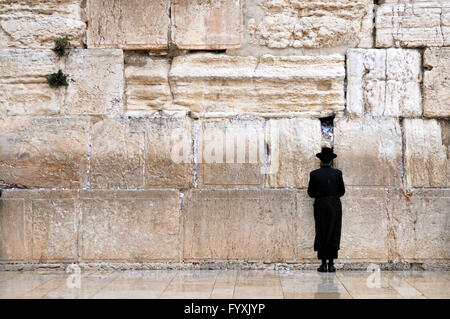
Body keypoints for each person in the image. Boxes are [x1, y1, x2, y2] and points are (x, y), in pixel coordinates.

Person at [307, 147, 345, 272]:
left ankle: (323, 264)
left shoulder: (314, 174)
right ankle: (332, 264)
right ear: (331, 161)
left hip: (320, 205)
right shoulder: (337, 173)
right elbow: (342, 192)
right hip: (334, 205)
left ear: (320, 161)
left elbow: (311, 193)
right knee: (333, 231)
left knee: (321, 231)